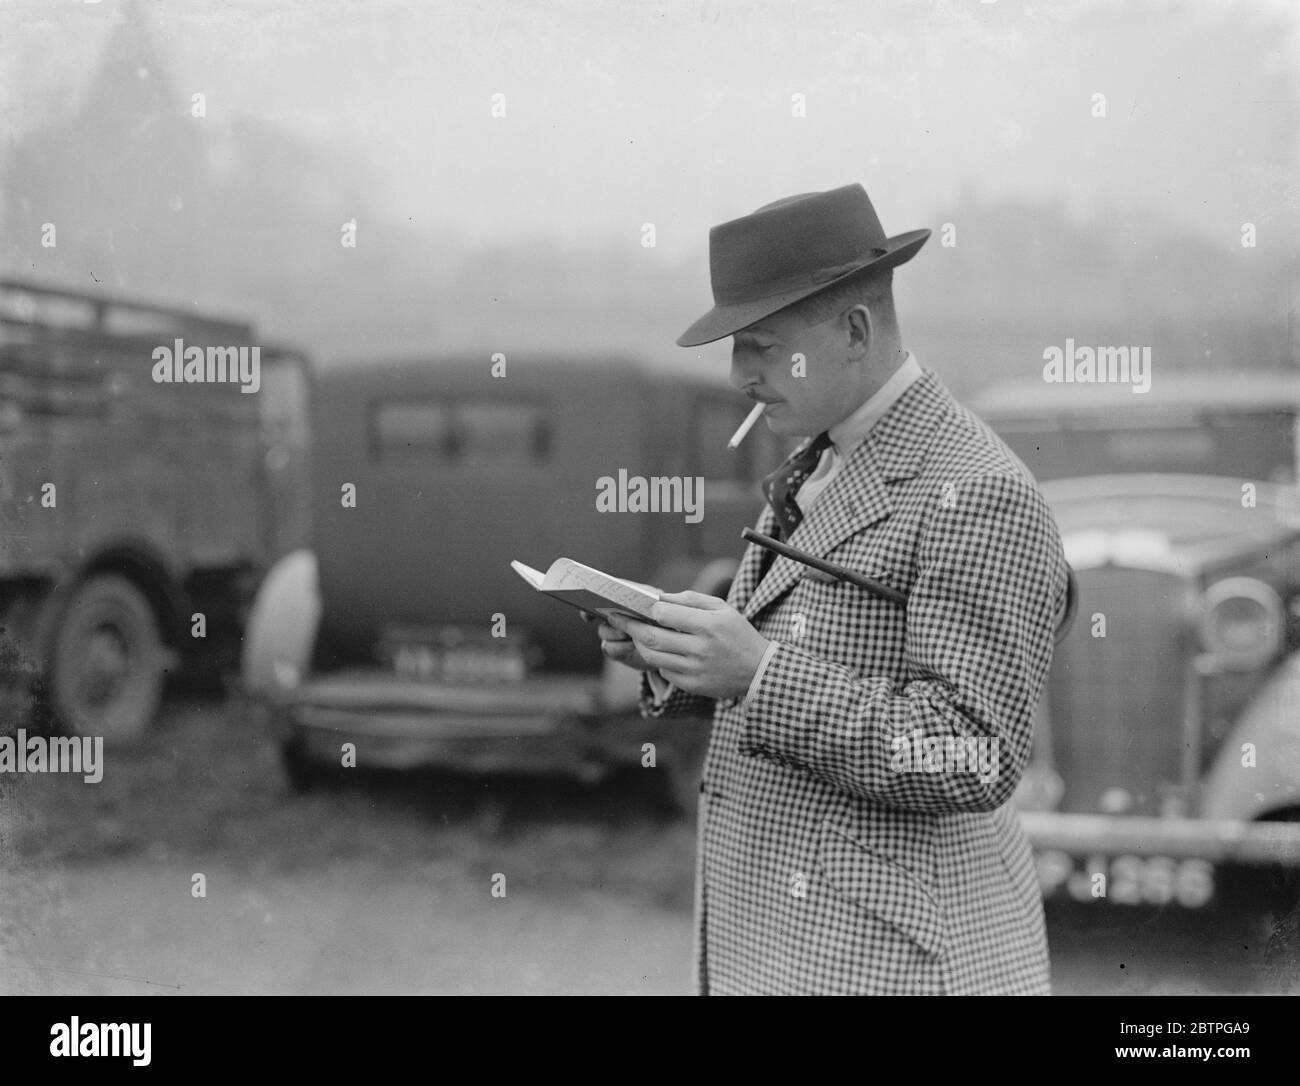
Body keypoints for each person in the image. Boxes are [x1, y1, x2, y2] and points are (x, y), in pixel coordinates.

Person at [596, 182, 1068, 995]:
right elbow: (812, 650)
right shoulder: (821, 454)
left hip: (892, 968)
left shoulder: (978, 489)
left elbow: (973, 751)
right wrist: (675, 652)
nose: (741, 376)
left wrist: (758, 673)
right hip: (799, 947)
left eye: (764, 346)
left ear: (853, 331)